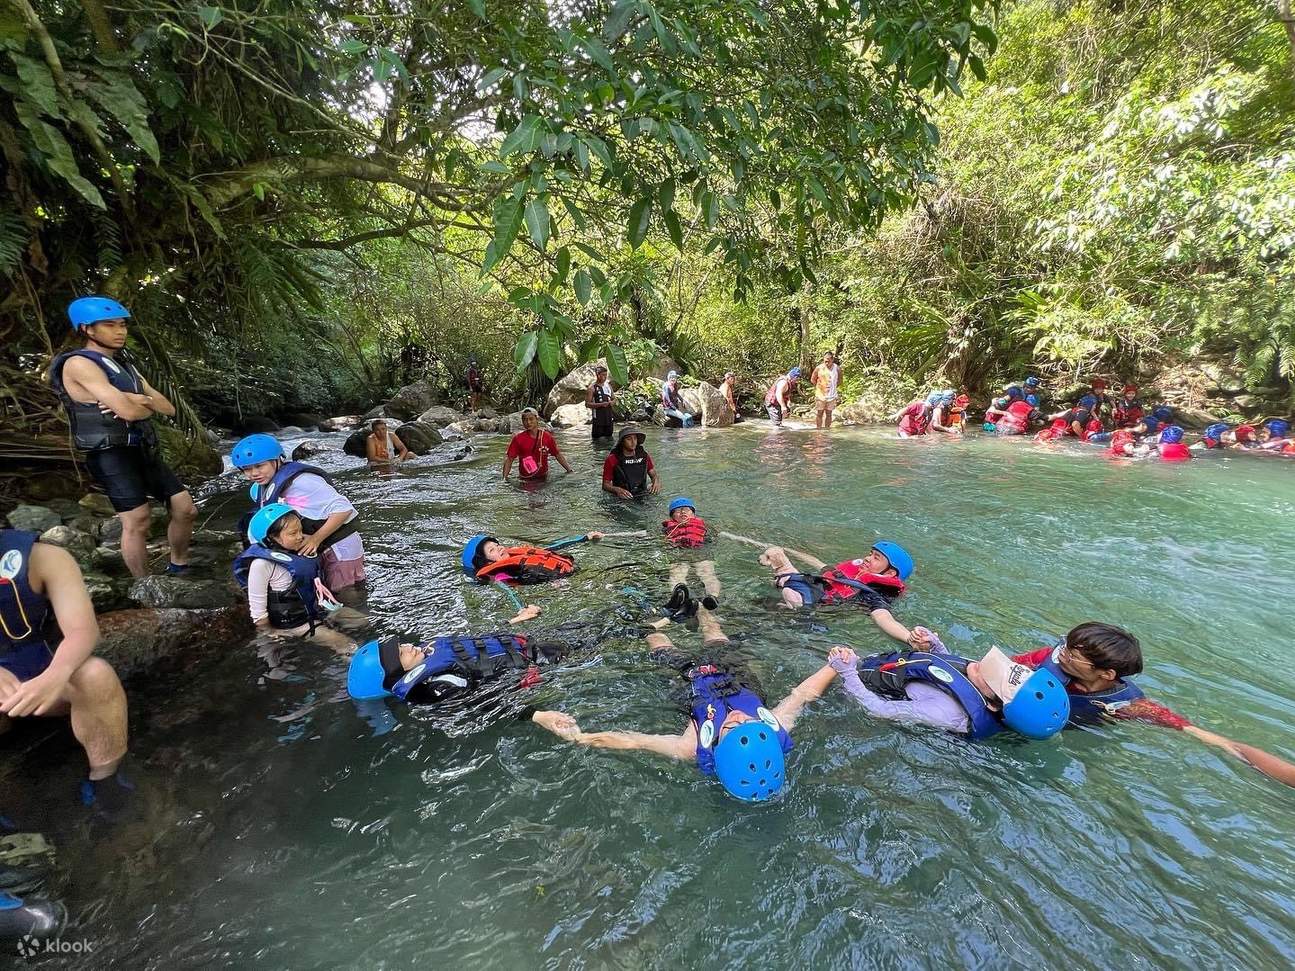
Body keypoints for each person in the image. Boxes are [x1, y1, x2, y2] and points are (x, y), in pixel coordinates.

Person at [528, 610, 841, 801]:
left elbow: (635, 741)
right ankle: (702, 612)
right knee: (715, 634)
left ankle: (652, 628)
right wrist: (837, 664)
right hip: (734, 674)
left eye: (733, 727)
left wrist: (580, 737)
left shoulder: (690, 746)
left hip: (693, 681)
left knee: (660, 645)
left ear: (717, 746)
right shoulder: (774, 727)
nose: (740, 716)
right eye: (751, 723)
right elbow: (802, 694)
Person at [49, 296, 198, 577]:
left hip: (140, 447)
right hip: (109, 452)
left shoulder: (127, 368)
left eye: (122, 325)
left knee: (185, 508)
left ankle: (179, 565)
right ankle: (143, 584)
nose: (120, 331)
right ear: (87, 329)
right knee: (137, 520)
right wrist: (137, 403)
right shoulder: (80, 364)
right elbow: (129, 412)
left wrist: (135, 398)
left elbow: (167, 407)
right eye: (109, 325)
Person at [0, 529, 132, 813]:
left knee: (95, 675)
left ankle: (105, 780)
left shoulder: (45, 558)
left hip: (48, 676)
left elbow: (82, 630)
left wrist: (54, 675)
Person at [827, 633, 1070, 740]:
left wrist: (847, 672)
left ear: (994, 705)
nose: (981, 664)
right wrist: (936, 647)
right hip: (881, 666)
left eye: (991, 675)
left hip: (855, 687)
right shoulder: (982, 682)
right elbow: (951, 672)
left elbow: (877, 709)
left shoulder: (947, 714)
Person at [345, 617, 634, 706]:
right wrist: (536, 710)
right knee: (605, 639)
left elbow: (474, 644)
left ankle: (643, 614)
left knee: (593, 625)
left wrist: (517, 621)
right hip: (533, 662)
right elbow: (488, 701)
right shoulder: (435, 687)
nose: (408, 645)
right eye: (401, 653)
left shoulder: (427, 652)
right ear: (396, 674)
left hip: (524, 643)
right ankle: (651, 624)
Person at [229, 434, 367, 599]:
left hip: (339, 546)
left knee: (345, 593)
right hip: (319, 545)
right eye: (247, 469)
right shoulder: (262, 487)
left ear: (278, 460)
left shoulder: (302, 482)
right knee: (325, 592)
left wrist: (315, 539)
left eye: (259, 466)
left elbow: (344, 509)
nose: (253, 474)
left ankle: (359, 623)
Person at [232, 503, 360, 654]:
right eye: (293, 533)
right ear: (272, 538)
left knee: (364, 622)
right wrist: (271, 633)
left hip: (320, 611)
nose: (300, 536)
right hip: (296, 625)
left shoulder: (297, 551)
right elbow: (258, 615)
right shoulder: (262, 565)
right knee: (348, 645)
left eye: (300, 530)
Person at [758, 542, 925, 646]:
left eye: (876, 557)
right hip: (807, 596)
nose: (867, 558)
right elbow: (819, 564)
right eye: (870, 553)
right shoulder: (849, 574)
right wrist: (788, 550)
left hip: (813, 614)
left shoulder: (873, 594)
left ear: (889, 574)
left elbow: (883, 618)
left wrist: (909, 637)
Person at [660, 497, 721, 615]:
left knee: (708, 573)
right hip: (679, 551)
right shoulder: (667, 528)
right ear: (672, 517)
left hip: (700, 551)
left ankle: (712, 597)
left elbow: (714, 536)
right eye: (678, 511)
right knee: (677, 573)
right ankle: (678, 596)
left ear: (693, 514)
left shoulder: (704, 525)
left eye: (687, 510)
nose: (683, 512)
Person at [503, 408, 573, 482]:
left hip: (544, 478)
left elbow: (557, 454)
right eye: (525, 420)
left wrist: (569, 470)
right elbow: (509, 459)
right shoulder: (518, 439)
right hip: (525, 479)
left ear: (537, 419)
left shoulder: (547, 437)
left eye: (531, 419)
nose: (528, 422)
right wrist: (504, 479)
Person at [602, 426, 660, 499]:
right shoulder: (612, 459)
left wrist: (656, 482)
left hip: (643, 494)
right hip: (622, 498)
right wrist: (617, 490)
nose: (633, 442)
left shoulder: (644, 456)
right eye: (629, 439)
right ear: (622, 442)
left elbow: (653, 475)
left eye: (635, 438)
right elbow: (605, 485)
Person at [809, 352, 841, 429]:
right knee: (819, 413)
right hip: (820, 395)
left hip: (832, 395)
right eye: (825, 361)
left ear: (832, 360)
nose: (826, 363)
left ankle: (827, 429)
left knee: (829, 413)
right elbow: (813, 379)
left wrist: (833, 387)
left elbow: (840, 380)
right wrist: (819, 387)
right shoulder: (819, 368)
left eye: (828, 361)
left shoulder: (837, 368)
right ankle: (818, 429)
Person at [585, 365, 615, 441]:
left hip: (609, 418)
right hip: (598, 420)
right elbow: (587, 404)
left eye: (606, 375)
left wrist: (612, 402)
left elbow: (614, 398)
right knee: (597, 442)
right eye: (603, 375)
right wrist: (601, 404)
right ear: (598, 375)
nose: (605, 377)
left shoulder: (608, 386)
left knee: (609, 440)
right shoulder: (592, 388)